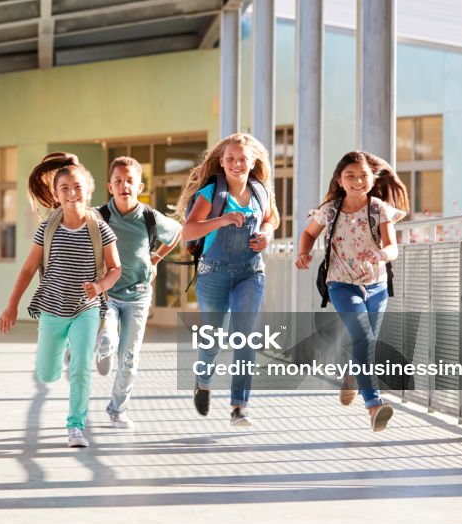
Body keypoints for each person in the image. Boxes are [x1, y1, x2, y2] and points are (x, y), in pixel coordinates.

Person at [0, 153, 122, 448]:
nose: (71, 193)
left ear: (88, 190)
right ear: (56, 193)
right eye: (64, 188)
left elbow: (116, 268)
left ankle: (76, 427)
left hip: (86, 308)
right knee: (47, 373)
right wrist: (12, 305)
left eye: (77, 187)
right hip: (52, 309)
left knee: (81, 367)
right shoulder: (47, 228)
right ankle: (64, 351)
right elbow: (28, 269)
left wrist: (100, 285)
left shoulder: (99, 228)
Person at [295, 151, 409, 432]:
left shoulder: (379, 209)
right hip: (341, 284)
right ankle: (374, 406)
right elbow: (309, 233)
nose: (358, 181)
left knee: (363, 344)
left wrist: (382, 253)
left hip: (377, 287)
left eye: (363, 176)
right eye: (350, 176)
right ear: (340, 180)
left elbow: (393, 246)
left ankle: (352, 375)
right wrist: (303, 253)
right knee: (364, 339)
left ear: (372, 179)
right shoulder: (330, 210)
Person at [175, 133, 279, 427]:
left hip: (250, 272)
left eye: (242, 159)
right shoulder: (211, 193)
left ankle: (239, 406)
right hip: (214, 272)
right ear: (221, 162)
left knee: (245, 337)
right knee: (213, 338)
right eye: (231, 159)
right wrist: (221, 220)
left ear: (252, 162)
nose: (236, 164)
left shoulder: (261, 191)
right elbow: (189, 231)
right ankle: (203, 379)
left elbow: (272, 219)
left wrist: (266, 235)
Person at [93, 156, 182, 429]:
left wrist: (156, 257)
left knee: (130, 359)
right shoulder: (98, 216)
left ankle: (117, 409)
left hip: (139, 296)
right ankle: (103, 348)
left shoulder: (149, 218)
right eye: (118, 181)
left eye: (130, 181)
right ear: (110, 186)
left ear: (140, 186)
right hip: (107, 293)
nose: (124, 186)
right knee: (108, 334)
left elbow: (177, 232)